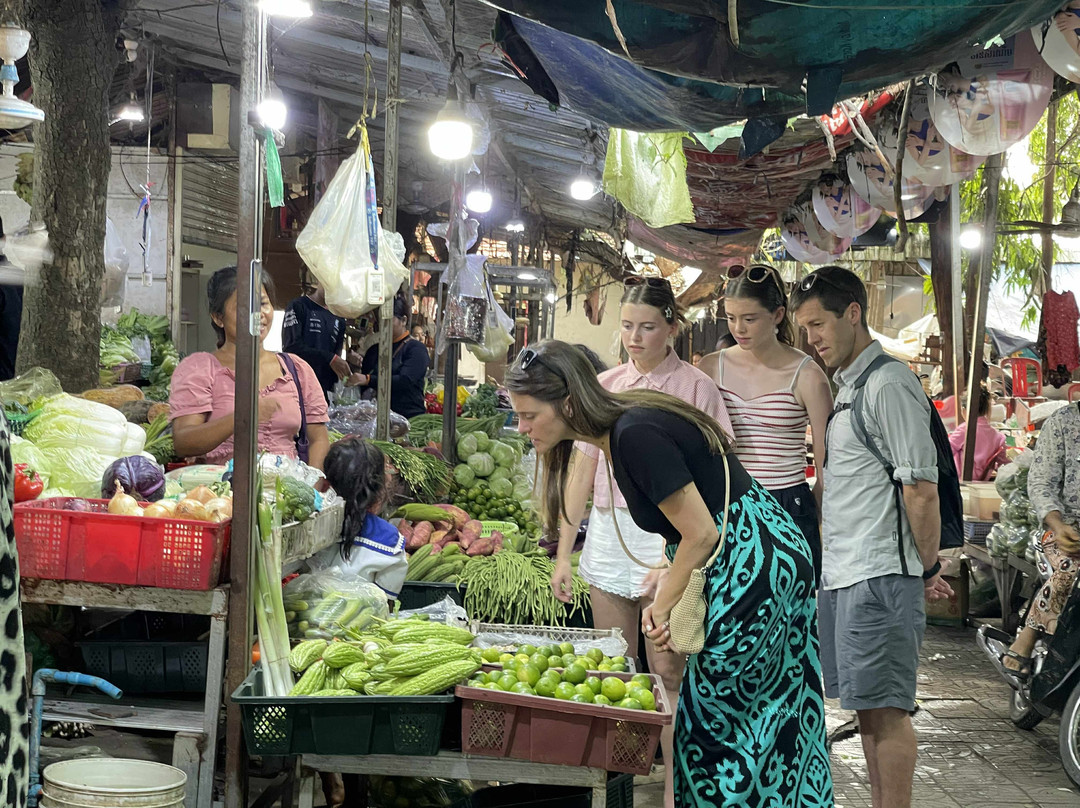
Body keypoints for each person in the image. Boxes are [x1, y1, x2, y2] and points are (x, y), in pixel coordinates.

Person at [507, 340, 832, 808]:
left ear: (568, 403)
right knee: (772, 706)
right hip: (759, 551)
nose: (523, 427)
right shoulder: (626, 423)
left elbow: (701, 533)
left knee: (719, 717)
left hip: (755, 566)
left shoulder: (633, 433)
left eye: (529, 414)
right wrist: (668, 569)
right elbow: (692, 520)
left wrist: (660, 605)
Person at [550, 277, 732, 808]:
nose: (634, 336)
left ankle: (678, 791)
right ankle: (616, 789)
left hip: (673, 535)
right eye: (627, 326)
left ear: (672, 328)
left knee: (669, 670)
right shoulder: (604, 384)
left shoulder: (697, 387)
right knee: (612, 666)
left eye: (647, 326)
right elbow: (580, 477)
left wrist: (671, 557)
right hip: (608, 533)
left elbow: (714, 475)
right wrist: (565, 550)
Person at [790, 266, 951, 808]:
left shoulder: (889, 383)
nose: (812, 339)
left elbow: (920, 489)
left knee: (886, 713)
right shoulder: (849, 385)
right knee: (867, 712)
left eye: (818, 324)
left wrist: (924, 568)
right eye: (805, 328)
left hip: (878, 575)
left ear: (853, 314)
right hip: (846, 571)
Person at [699, 265, 833, 580]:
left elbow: (829, 460)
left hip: (787, 500)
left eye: (749, 318)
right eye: (731, 318)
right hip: (727, 499)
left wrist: (818, 510)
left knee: (790, 611)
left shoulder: (808, 374)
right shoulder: (710, 367)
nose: (738, 328)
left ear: (777, 315)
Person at [170, 266, 331, 470]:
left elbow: (319, 439)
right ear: (218, 317)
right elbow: (184, 442)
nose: (259, 314)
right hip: (221, 494)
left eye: (263, 304)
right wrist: (243, 416)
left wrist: (312, 491)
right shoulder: (199, 369)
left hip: (286, 495)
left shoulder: (297, 369)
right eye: (244, 308)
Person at [1000, 401, 1080, 681]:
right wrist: (1057, 525)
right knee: (1072, 569)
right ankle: (1027, 639)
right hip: (1063, 528)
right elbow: (1041, 483)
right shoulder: (1064, 422)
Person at [310, 437, 408, 599]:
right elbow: (385, 605)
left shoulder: (311, 526)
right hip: (360, 621)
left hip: (303, 616)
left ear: (327, 483)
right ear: (379, 487)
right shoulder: (390, 541)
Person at [358, 295, 428, 418]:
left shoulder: (416, 349)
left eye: (389, 320)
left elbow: (405, 380)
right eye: (381, 320)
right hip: (375, 418)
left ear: (404, 320)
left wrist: (369, 379)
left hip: (408, 419)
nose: (384, 325)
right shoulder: (374, 350)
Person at [281, 280, 349, 402]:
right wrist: (330, 358)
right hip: (298, 386)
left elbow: (335, 358)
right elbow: (291, 348)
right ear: (319, 279)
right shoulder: (298, 306)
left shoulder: (340, 319)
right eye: (328, 282)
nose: (331, 288)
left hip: (324, 393)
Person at [948, 385, 1007, 482]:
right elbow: (1004, 464)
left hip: (961, 483)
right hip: (983, 482)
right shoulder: (998, 437)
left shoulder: (964, 430)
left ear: (964, 410)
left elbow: (946, 452)